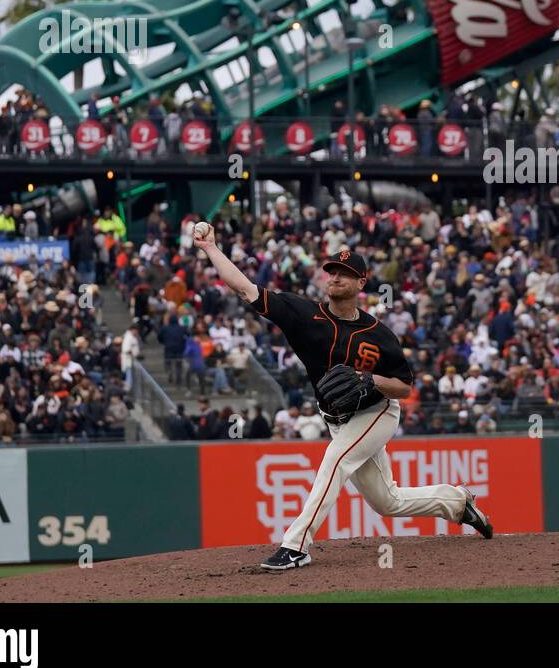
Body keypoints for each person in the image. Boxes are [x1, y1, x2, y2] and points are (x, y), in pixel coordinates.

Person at [191, 228, 494, 571]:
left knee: (334, 461)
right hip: (335, 417)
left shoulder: (379, 335)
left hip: (376, 412)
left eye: (345, 274)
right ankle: (458, 502)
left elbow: (405, 387)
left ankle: (296, 546)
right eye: (332, 271)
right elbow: (244, 287)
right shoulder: (303, 314)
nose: (335, 277)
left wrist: (371, 379)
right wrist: (211, 249)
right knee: (387, 501)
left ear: (361, 284)